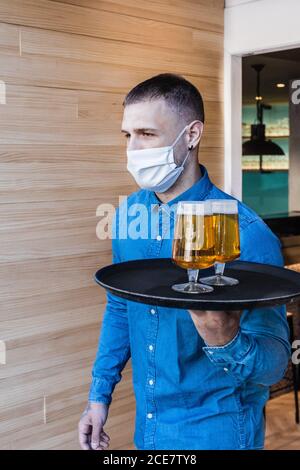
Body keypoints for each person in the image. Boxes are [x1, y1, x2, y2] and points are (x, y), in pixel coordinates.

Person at [78, 73, 290, 451]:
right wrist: (99, 396)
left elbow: (275, 365)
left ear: (191, 135)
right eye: (128, 136)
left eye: (147, 134)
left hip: (219, 433)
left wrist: (228, 341)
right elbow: (120, 309)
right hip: (149, 429)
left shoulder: (246, 232)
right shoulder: (128, 216)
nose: (134, 149)